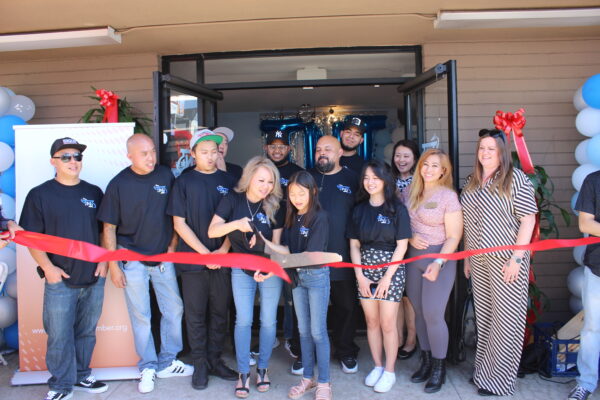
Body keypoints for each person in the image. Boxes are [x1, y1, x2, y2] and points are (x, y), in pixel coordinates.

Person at [98, 134, 191, 394]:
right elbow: (109, 227)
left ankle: (168, 361)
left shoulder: (165, 176)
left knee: (174, 310)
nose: (150, 157)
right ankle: (148, 366)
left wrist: (172, 246)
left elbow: (175, 214)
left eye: (152, 151)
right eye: (143, 153)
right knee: (141, 317)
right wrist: (114, 266)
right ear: (129, 156)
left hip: (162, 257)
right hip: (132, 260)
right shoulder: (118, 184)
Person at [19, 137, 108, 400]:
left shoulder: (94, 192)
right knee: (59, 335)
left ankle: (81, 375)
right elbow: (32, 238)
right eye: (66, 156)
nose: (73, 161)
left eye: (77, 156)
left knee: (86, 332)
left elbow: (105, 231)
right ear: (53, 162)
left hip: (94, 276)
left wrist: (104, 261)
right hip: (60, 279)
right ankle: (60, 385)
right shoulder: (40, 194)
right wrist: (48, 268)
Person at [460, 129, 537, 396]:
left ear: (502, 152)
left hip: (507, 261)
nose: (485, 153)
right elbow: (469, 223)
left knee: (506, 320)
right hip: (479, 261)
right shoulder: (472, 182)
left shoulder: (515, 179)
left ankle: (499, 381)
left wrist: (518, 258)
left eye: (491, 149)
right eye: (482, 148)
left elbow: (528, 220)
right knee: (486, 318)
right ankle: (483, 373)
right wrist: (468, 256)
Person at [167, 129, 238, 390]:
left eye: (215, 151)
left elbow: (236, 221)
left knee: (220, 312)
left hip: (223, 259)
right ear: (193, 153)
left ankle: (215, 360)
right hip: (193, 260)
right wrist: (205, 254)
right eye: (204, 151)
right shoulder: (184, 182)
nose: (211, 156)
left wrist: (223, 250)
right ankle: (200, 364)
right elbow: (179, 223)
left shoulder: (229, 180)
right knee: (195, 314)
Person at [208, 156, 283, 398]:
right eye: (261, 180)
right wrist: (237, 224)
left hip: (270, 268)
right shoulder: (232, 199)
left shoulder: (275, 205)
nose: (265, 186)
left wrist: (269, 263)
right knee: (243, 321)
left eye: (270, 182)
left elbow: (279, 247)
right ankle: (243, 372)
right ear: (249, 177)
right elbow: (213, 230)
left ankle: (262, 369)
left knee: (269, 321)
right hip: (241, 268)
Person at [260, 171, 333, 400]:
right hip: (297, 279)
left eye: (301, 193)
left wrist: (279, 263)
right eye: (292, 193)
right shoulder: (292, 217)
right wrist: (264, 244)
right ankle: (307, 379)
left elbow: (310, 256)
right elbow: (287, 250)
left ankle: (324, 383)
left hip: (316, 277)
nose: (297, 198)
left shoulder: (320, 217)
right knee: (303, 331)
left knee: (317, 332)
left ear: (312, 192)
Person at [347, 160, 411, 393]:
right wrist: (361, 275)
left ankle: (390, 371)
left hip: (391, 270)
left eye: (375, 177)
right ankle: (377, 365)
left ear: (385, 180)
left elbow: (402, 246)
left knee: (387, 323)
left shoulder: (397, 208)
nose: (370, 182)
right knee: (371, 322)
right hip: (364, 269)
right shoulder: (358, 209)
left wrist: (386, 278)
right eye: (366, 178)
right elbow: (354, 246)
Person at [402, 149, 463, 393]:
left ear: (443, 171)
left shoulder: (448, 197)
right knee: (418, 313)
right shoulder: (409, 191)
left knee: (433, 314)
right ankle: (426, 361)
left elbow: (454, 236)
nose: (428, 169)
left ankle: (440, 367)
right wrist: (409, 238)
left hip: (440, 260)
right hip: (413, 258)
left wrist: (438, 263)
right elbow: (400, 224)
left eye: (434, 166)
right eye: (425, 164)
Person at [309, 135, 360, 374]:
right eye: (319, 149)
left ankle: (345, 350)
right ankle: (308, 353)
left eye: (328, 149)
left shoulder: (353, 179)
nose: (322, 153)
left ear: (340, 152)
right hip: (311, 258)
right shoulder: (306, 178)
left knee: (346, 307)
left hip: (343, 256)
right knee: (310, 309)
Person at [264, 129, 304, 366]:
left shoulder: (297, 172)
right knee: (266, 291)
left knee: (291, 294)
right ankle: (269, 339)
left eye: (281, 146)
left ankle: (291, 337)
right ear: (266, 148)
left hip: (289, 240)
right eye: (272, 146)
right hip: (264, 238)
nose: (277, 150)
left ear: (289, 149)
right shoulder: (262, 170)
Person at [569, 170, 600, 400]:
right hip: (597, 267)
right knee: (592, 328)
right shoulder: (594, 180)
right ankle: (586, 382)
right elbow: (585, 223)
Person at [391, 139, 420, 360]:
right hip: (392, 244)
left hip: (414, 244)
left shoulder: (421, 182)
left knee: (409, 296)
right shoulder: (389, 181)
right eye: (398, 155)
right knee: (397, 294)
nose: (401, 160)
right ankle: (397, 338)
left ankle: (411, 339)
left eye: (406, 156)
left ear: (415, 158)